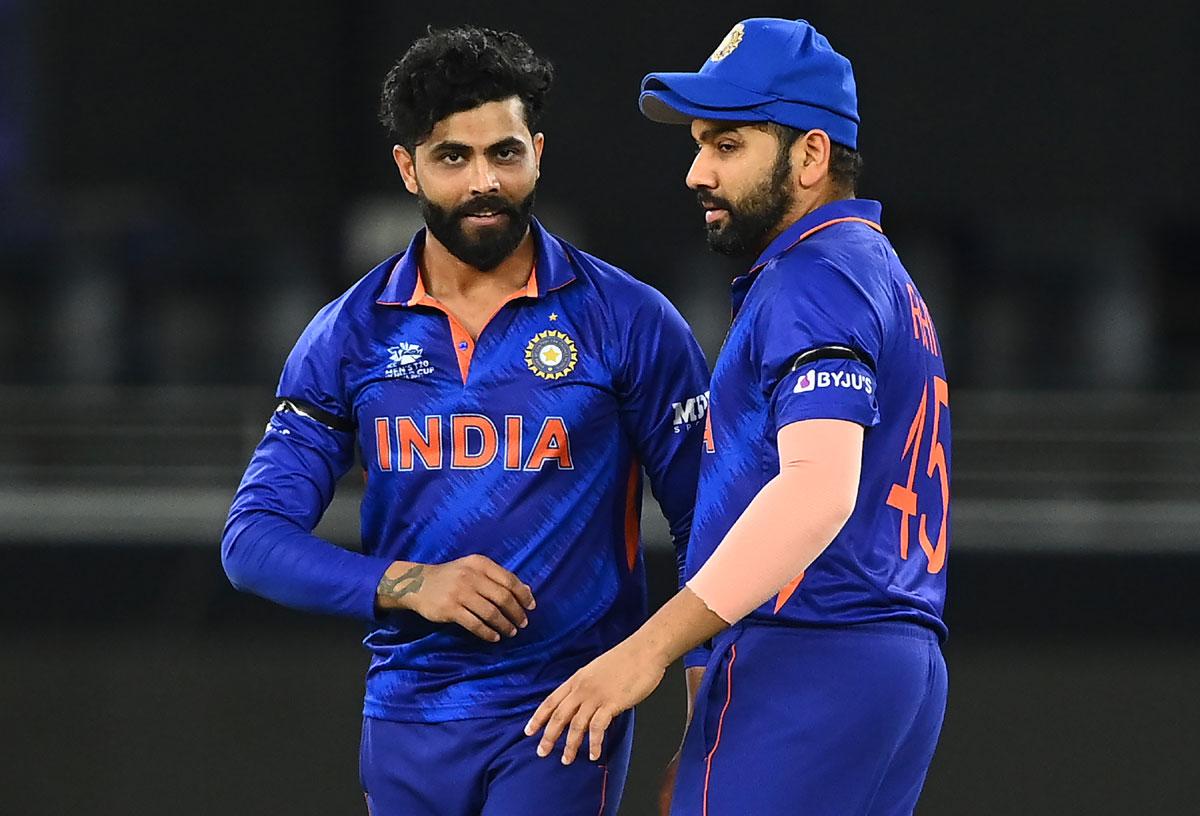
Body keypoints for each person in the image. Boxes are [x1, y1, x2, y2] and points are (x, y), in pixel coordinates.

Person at [221, 25, 710, 816]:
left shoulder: (630, 321)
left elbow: (708, 533)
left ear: (538, 153)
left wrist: (701, 737)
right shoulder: (349, 336)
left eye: (505, 154)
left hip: (565, 715)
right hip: (406, 717)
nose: (484, 181)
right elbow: (251, 544)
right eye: (454, 157)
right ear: (407, 167)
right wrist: (412, 584)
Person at [526, 18, 951, 816]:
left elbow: (817, 491)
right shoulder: (870, 268)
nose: (696, 172)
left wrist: (647, 651)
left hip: (809, 654)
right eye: (698, 145)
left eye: (727, 145)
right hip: (876, 660)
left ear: (812, 155)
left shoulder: (814, 276)